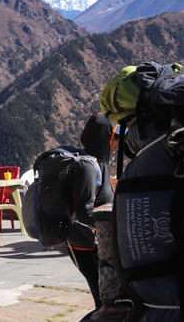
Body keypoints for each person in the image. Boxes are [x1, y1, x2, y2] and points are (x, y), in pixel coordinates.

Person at [66, 114, 117, 314]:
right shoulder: (89, 166)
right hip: (84, 244)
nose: (115, 143)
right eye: (112, 136)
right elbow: (84, 211)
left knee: (107, 301)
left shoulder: (100, 164)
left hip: (97, 243)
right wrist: (108, 225)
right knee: (102, 301)